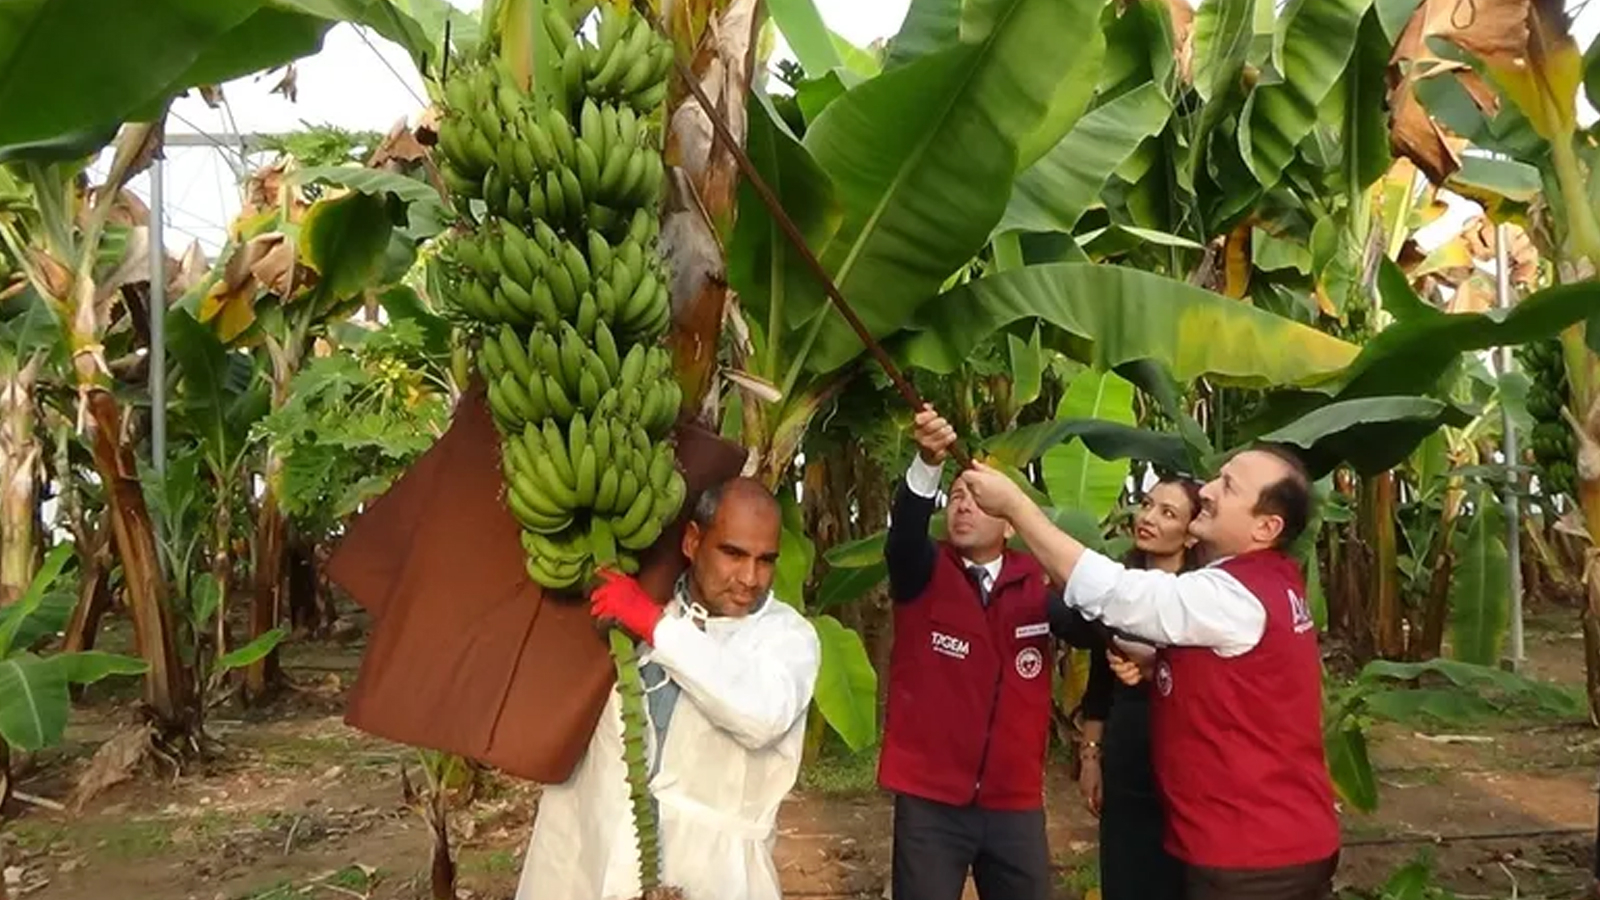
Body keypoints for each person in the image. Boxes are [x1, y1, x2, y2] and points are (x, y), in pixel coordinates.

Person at [955, 442, 1341, 900]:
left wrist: (1018, 508)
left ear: (1266, 527)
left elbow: (1115, 594)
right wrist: (1160, 663)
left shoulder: (1234, 594)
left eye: (1228, 486)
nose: (1208, 491)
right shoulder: (1272, 580)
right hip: (1269, 841)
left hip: (1254, 860)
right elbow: (1240, 671)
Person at [514, 477, 822, 900]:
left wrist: (653, 626)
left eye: (765, 560)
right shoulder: (636, 605)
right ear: (693, 541)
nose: (750, 578)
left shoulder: (788, 637)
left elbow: (761, 715)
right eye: (733, 554)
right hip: (593, 849)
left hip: (717, 873)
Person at [876, 406, 1059, 900]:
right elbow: (903, 538)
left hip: (1014, 802)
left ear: (1011, 523)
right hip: (931, 803)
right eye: (956, 497)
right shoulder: (923, 571)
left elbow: (1091, 622)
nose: (962, 507)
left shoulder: (1037, 582)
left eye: (978, 499)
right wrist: (927, 463)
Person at [1056, 476, 1201, 900]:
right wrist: (1091, 756)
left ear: (1192, 535)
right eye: (1148, 504)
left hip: (1188, 762)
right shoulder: (1116, 589)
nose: (1148, 518)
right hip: (1128, 753)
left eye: (1167, 513)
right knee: (1126, 875)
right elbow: (1101, 684)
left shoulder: (1204, 596)